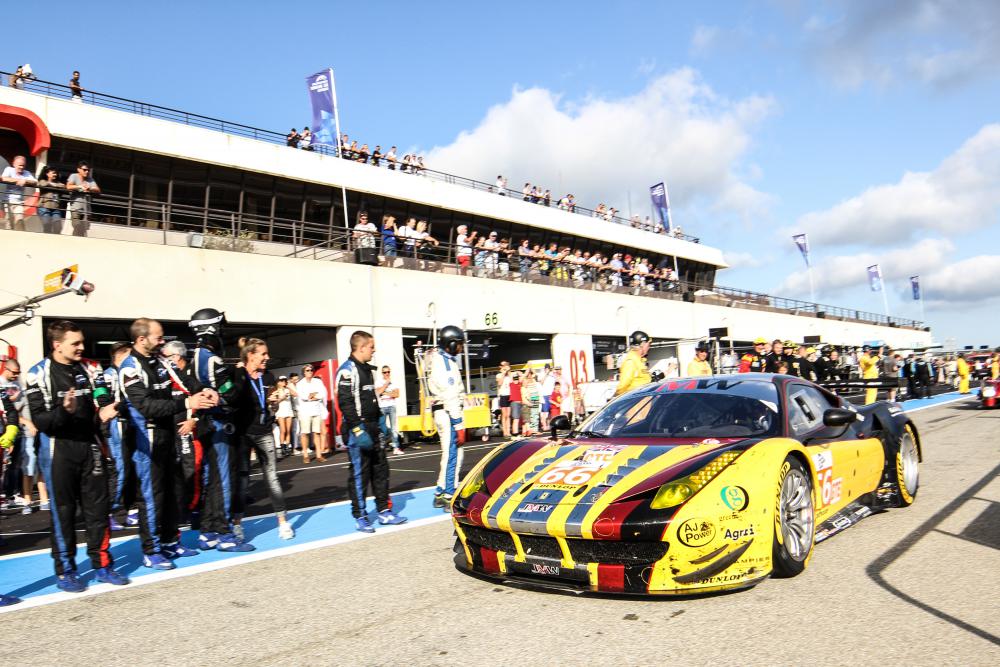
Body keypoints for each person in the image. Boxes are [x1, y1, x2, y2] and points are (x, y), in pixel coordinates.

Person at [25, 320, 130, 592]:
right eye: (76, 343)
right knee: (64, 513)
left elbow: (101, 396)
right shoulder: (38, 373)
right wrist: (65, 411)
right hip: (58, 448)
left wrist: (105, 411)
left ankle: (103, 564)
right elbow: (41, 420)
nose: (82, 347)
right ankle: (66, 570)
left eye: (82, 342)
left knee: (98, 510)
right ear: (57, 345)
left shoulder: (91, 367)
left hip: (90, 445)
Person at [188, 309, 253, 552]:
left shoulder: (195, 356)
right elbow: (231, 394)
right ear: (211, 329)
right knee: (223, 481)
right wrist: (239, 372)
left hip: (207, 424)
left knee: (212, 482)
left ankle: (208, 531)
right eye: (220, 328)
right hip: (218, 426)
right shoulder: (212, 359)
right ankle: (224, 533)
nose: (223, 333)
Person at [337, 331, 407, 531]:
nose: (374, 350)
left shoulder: (368, 370)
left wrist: (380, 422)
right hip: (356, 429)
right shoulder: (347, 370)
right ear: (360, 347)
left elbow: (371, 399)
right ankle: (360, 515)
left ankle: (384, 512)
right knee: (360, 474)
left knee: (381, 470)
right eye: (371, 347)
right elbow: (345, 402)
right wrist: (358, 430)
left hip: (373, 426)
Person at [231, 338, 295, 540]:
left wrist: (274, 403)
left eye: (267, 354)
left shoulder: (268, 377)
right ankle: (237, 524)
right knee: (242, 480)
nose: (268, 357)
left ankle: (283, 523)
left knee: (272, 478)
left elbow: (269, 405)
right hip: (243, 433)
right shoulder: (238, 375)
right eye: (263, 354)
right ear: (251, 355)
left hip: (264, 431)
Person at [426, 326, 467, 509]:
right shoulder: (445, 364)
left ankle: (440, 490)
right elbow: (451, 396)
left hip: (442, 411)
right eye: (458, 344)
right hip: (448, 412)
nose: (460, 347)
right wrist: (459, 425)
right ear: (450, 344)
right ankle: (450, 494)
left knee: (448, 453)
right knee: (453, 454)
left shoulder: (440, 360)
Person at [102, 343, 135, 530]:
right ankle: (111, 512)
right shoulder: (109, 375)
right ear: (120, 356)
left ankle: (127, 510)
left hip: (128, 424)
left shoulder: (126, 372)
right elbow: (105, 403)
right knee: (120, 468)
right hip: (116, 425)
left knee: (130, 468)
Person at [297, 364, 328, 462]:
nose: (310, 371)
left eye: (311, 370)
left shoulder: (318, 381)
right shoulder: (300, 384)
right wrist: (312, 395)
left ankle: (319, 455)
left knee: (317, 432)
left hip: (316, 409)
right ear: (304, 372)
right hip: (305, 411)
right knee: (305, 433)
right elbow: (303, 396)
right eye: (307, 370)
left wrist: (314, 396)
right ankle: (305, 455)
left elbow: (323, 393)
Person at [1, 155, 37, 231]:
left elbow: (35, 182)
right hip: (7, 201)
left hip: (19, 202)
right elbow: (3, 178)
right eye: (20, 165)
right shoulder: (9, 169)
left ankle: (20, 237)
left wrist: (25, 181)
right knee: (9, 222)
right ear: (14, 164)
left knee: (19, 219)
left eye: (23, 165)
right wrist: (17, 180)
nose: (21, 167)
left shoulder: (27, 173)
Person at [66, 160, 101, 236]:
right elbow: (68, 186)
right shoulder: (74, 176)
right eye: (84, 170)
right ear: (78, 169)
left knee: (83, 230)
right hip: (76, 208)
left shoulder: (90, 179)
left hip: (86, 210)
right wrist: (79, 187)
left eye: (88, 170)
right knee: (77, 226)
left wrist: (90, 188)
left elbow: (98, 190)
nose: (87, 171)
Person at [375, 365, 403, 456]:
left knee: (394, 428)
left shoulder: (394, 382)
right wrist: (386, 384)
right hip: (382, 407)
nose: (387, 374)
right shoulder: (379, 381)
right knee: (382, 427)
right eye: (384, 372)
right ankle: (383, 446)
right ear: (382, 373)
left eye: (388, 372)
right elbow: (378, 392)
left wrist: (385, 392)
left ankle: (396, 447)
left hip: (392, 406)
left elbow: (397, 394)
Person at [614, 331, 653, 396]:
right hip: (636, 402)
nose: (649, 348)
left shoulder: (639, 360)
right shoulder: (631, 361)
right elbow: (623, 385)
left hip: (643, 399)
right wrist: (615, 399)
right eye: (648, 345)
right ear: (642, 344)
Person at [37, 166, 66, 234]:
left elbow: (63, 186)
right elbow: (42, 184)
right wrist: (54, 185)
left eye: (56, 173)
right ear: (47, 174)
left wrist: (52, 185)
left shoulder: (59, 183)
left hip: (56, 209)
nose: (55, 175)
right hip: (44, 208)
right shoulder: (42, 181)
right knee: (47, 225)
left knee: (58, 227)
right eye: (53, 173)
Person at [273, 376, 294, 455]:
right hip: (280, 412)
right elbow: (274, 402)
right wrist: (282, 398)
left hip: (288, 411)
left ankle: (287, 447)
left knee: (288, 430)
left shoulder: (287, 389)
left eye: (284, 380)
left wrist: (288, 386)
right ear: (278, 382)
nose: (283, 382)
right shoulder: (276, 391)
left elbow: (295, 394)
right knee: (283, 430)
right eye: (281, 381)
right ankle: (282, 447)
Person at [496, 361, 512, 438]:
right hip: (502, 395)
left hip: (509, 395)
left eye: (506, 365)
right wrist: (503, 373)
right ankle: (504, 432)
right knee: (504, 415)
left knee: (508, 415)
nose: (505, 366)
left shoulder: (509, 375)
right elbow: (499, 383)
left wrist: (508, 372)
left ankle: (508, 431)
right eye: (503, 365)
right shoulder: (499, 375)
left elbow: (512, 382)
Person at [509, 371, 523, 436]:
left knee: (518, 419)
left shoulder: (520, 384)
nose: (516, 380)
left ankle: (516, 432)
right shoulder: (511, 384)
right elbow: (510, 376)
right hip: (514, 403)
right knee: (516, 419)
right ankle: (515, 433)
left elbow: (523, 376)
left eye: (517, 379)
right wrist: (515, 372)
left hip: (520, 403)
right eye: (515, 379)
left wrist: (518, 373)